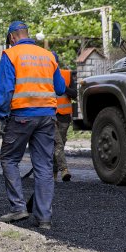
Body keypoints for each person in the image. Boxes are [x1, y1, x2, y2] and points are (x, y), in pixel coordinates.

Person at [0, 21, 66, 229]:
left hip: (21, 116)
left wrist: (0, 117)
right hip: (47, 117)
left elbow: (5, 89)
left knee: (9, 159)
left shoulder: (11, 55)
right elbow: (60, 88)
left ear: (12, 38)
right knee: (43, 166)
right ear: (27, 34)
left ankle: (18, 208)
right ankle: (44, 219)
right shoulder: (48, 55)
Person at [52, 52, 78, 182]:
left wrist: (63, 88)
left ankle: (54, 173)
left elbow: (74, 94)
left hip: (63, 117)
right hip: (50, 116)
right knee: (58, 144)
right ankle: (64, 170)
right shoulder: (43, 75)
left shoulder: (67, 75)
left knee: (58, 145)